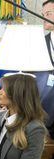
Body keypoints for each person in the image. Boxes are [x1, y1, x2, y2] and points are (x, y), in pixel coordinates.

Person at [34, 0, 54, 139]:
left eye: (48, 14)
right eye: (43, 14)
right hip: (44, 114)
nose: (44, 18)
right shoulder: (38, 44)